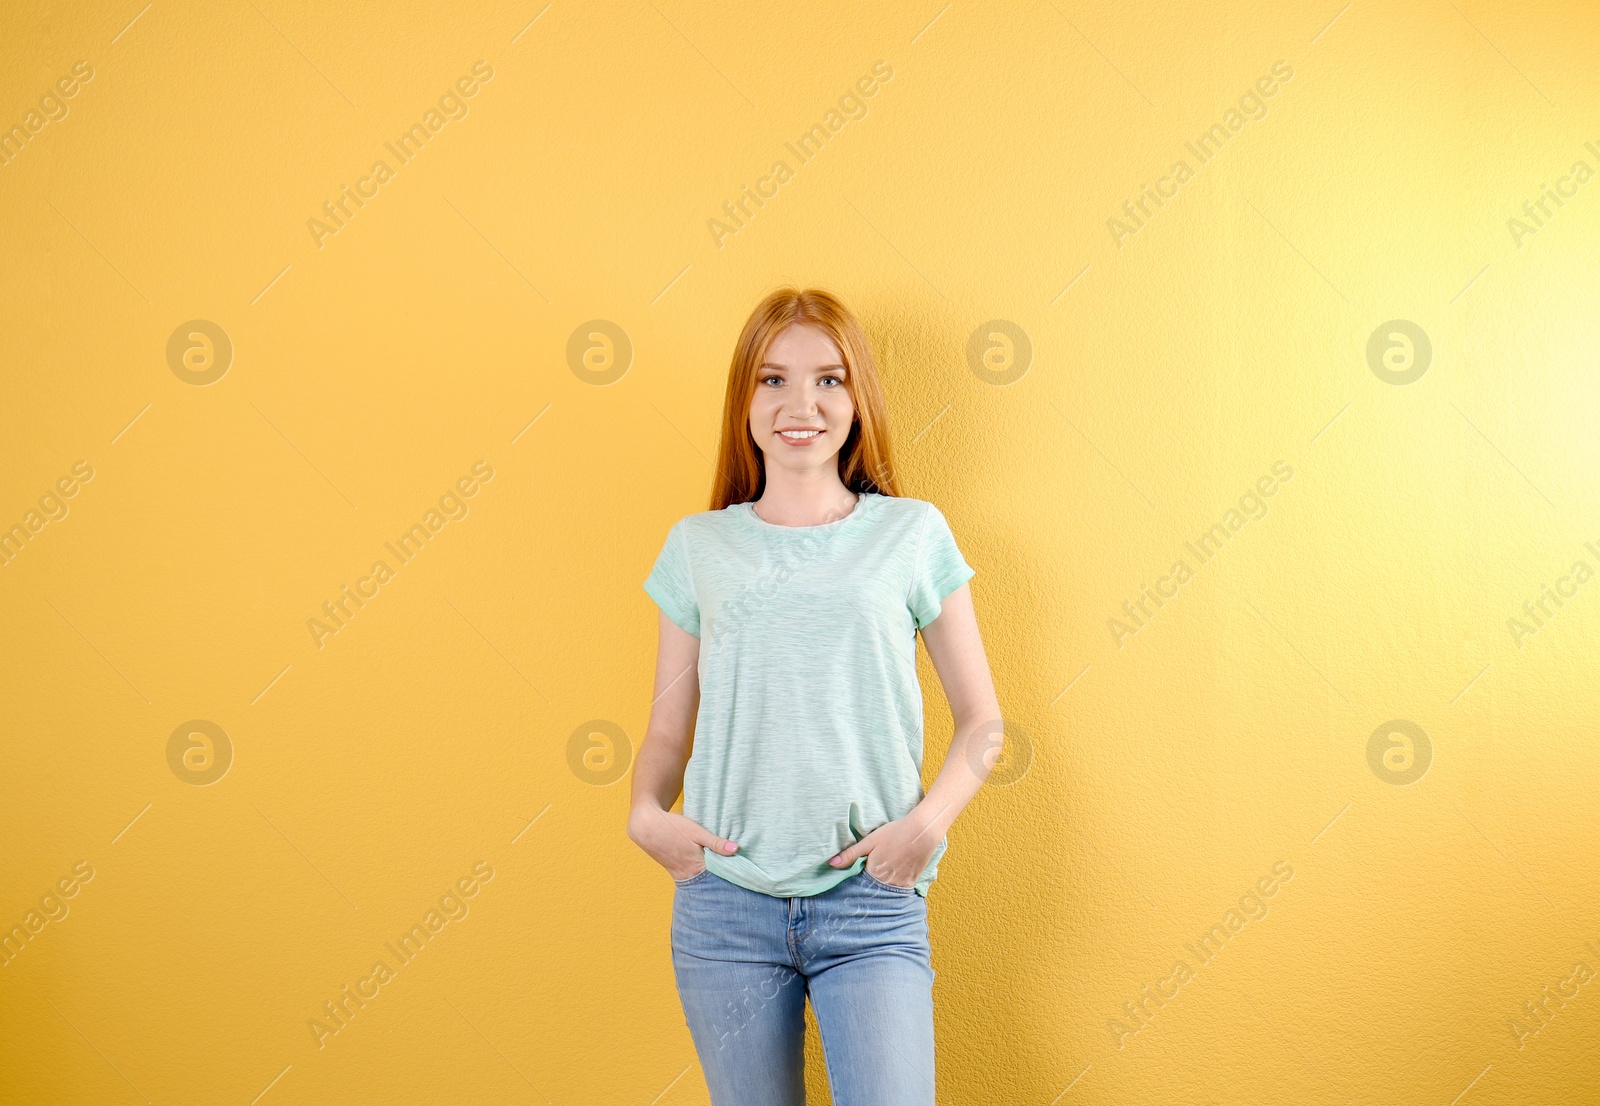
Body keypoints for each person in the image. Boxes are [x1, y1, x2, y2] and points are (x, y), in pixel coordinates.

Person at [627, 286, 1004, 1105]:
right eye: (773, 380)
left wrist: (923, 831)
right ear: (746, 401)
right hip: (725, 910)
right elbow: (667, 731)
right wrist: (646, 814)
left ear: (857, 398)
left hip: (871, 906)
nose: (802, 403)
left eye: (829, 380)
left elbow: (983, 723)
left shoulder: (912, 533)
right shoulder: (699, 546)